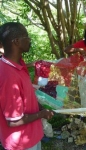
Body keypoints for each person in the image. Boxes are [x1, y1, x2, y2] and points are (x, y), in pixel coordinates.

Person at [0, 22, 54, 150]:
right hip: (21, 144)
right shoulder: (9, 76)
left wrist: (40, 105)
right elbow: (13, 121)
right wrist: (41, 114)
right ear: (17, 41)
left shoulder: (18, 65)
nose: (29, 40)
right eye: (27, 37)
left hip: (30, 137)